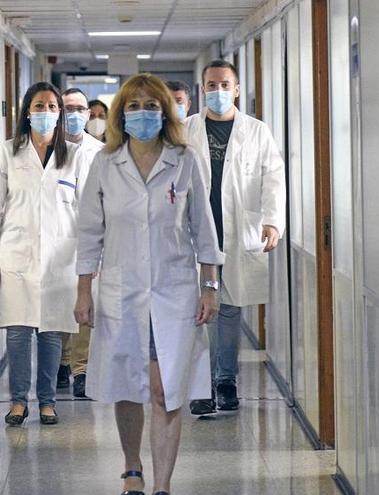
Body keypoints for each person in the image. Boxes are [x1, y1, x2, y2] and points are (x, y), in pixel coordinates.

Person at [74, 74, 224, 495]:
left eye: (151, 106)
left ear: (166, 112)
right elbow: (89, 232)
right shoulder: (105, 163)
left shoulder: (184, 160)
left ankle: (163, 486)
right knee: (127, 386)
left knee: (165, 390)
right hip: (123, 291)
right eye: (134, 106)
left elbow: (203, 229)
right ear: (122, 113)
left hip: (174, 291)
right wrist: (83, 289)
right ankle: (132, 466)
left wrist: (210, 285)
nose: (143, 113)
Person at [0, 82, 84, 427]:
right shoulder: (9, 152)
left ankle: (48, 402)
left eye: (52, 107)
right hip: (16, 254)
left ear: (60, 113)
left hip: (60, 257)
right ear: (27, 112)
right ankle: (19, 402)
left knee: (51, 332)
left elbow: (86, 212)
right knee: (19, 333)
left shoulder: (73, 155)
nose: (46, 113)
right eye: (39, 106)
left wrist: (87, 263)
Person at [184, 60, 286, 415]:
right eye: (211, 85)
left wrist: (272, 221)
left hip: (237, 233)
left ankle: (225, 381)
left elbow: (273, 178)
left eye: (225, 84)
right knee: (195, 311)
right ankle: (199, 385)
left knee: (228, 310)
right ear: (202, 89)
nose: (218, 92)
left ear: (237, 89)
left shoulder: (257, 131)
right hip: (194, 235)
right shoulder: (185, 130)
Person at [57, 87, 104, 398]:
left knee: (85, 307)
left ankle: (81, 370)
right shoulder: (48, 150)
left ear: (87, 114)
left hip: (90, 239)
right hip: (56, 240)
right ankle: (61, 362)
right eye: (68, 109)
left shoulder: (101, 152)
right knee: (58, 304)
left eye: (79, 109)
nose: (74, 115)